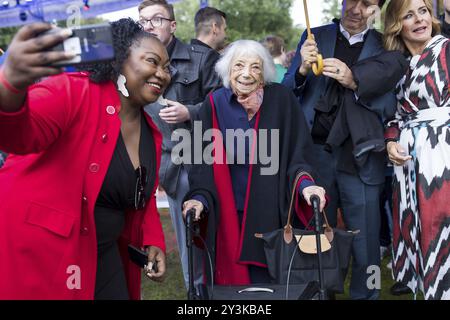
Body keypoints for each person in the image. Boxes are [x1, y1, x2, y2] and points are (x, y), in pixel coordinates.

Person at [0, 18, 170, 300]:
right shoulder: (71, 91)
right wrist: (10, 84)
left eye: (166, 67)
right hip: (44, 255)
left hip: (102, 253)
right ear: (119, 60)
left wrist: (153, 239)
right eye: (152, 61)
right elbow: (18, 134)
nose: (162, 74)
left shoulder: (150, 130)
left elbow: (143, 193)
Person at [282, 0, 403, 300]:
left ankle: (368, 295)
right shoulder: (313, 36)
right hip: (316, 156)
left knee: (367, 247)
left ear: (377, 9)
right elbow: (285, 95)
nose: (356, 10)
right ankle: (319, 294)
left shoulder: (386, 45)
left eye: (367, 4)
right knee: (314, 239)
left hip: (361, 155)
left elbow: (392, 105)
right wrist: (299, 70)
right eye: (352, 0)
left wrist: (354, 82)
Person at [182, 40, 327, 286]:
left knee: (270, 281)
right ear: (228, 70)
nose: (246, 73)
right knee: (235, 283)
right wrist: (200, 197)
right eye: (239, 65)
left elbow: (297, 152)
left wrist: (306, 185)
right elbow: (200, 159)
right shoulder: (214, 103)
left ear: (265, 72)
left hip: (271, 208)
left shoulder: (281, 99)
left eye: (255, 67)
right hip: (228, 207)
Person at [138, 0, 221, 290]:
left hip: (205, 157)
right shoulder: (135, 63)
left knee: (215, 235)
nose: (148, 26)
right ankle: (195, 295)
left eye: (156, 19)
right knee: (188, 240)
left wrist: (191, 112)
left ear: (172, 25)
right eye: (143, 21)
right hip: (169, 164)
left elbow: (222, 104)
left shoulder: (202, 58)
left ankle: (219, 290)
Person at [383, 0, 450, 300]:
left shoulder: (446, 49)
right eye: (409, 15)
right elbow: (392, 115)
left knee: (441, 224)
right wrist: (390, 140)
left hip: (443, 153)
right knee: (419, 228)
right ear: (397, 25)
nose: (419, 19)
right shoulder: (394, 65)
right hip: (408, 161)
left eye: (423, 11)